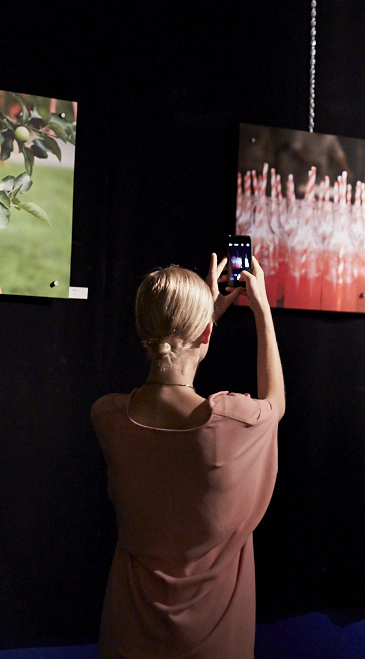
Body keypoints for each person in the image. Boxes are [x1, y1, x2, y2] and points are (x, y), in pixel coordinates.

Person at [92, 254, 285, 659]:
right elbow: (276, 401)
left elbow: (173, 366)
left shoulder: (107, 417)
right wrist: (261, 308)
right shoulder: (235, 422)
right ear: (205, 337)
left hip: (129, 636)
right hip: (215, 644)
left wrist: (204, 317)